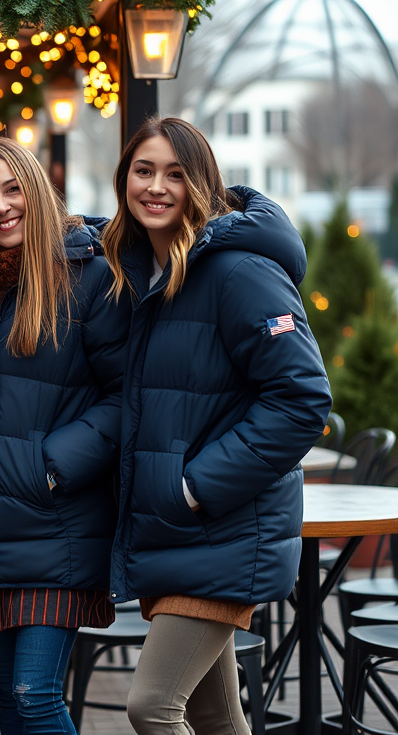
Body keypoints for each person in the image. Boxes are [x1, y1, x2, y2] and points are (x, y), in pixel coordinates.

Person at [102, 117, 332, 735]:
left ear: (202, 184)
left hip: (225, 528)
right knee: (215, 718)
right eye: (143, 171)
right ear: (122, 178)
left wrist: (196, 485)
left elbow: (303, 398)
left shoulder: (238, 272)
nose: (155, 186)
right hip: (184, 536)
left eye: (175, 174)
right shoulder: (145, 273)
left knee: (152, 706)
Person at [0, 137, 129, 734]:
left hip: (55, 523)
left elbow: (126, 396)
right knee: (12, 700)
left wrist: (54, 464)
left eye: (12, 189)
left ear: (37, 190)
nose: (0, 207)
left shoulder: (88, 276)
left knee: (35, 695)